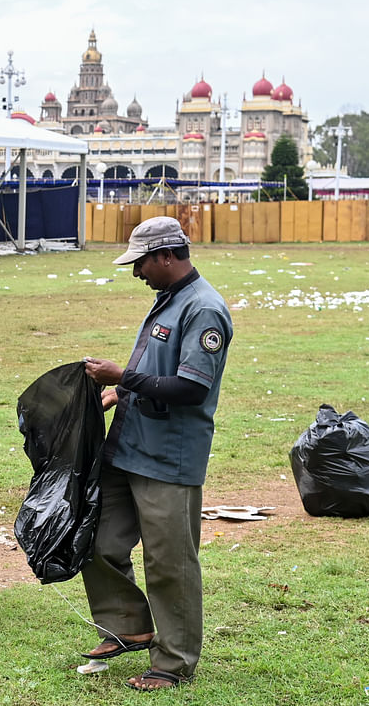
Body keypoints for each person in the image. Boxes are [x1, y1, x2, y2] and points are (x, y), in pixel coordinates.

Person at [81, 216, 233, 691]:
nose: (136, 272)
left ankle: (173, 661)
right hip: (127, 447)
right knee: (96, 540)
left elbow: (189, 388)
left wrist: (121, 378)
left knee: (169, 563)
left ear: (166, 255)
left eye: (141, 262)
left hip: (169, 457)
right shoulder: (167, 300)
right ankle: (129, 626)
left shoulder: (204, 309)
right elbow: (157, 372)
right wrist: (120, 395)